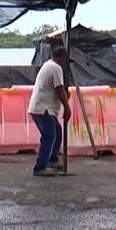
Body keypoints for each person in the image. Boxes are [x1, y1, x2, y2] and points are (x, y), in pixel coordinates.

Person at [28, 46, 72, 177]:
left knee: (57, 132)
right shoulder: (56, 68)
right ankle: (40, 167)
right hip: (44, 109)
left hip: (39, 107)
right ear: (62, 58)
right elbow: (58, 89)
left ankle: (51, 160)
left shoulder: (48, 65)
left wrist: (64, 95)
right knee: (49, 136)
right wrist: (67, 107)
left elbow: (57, 89)